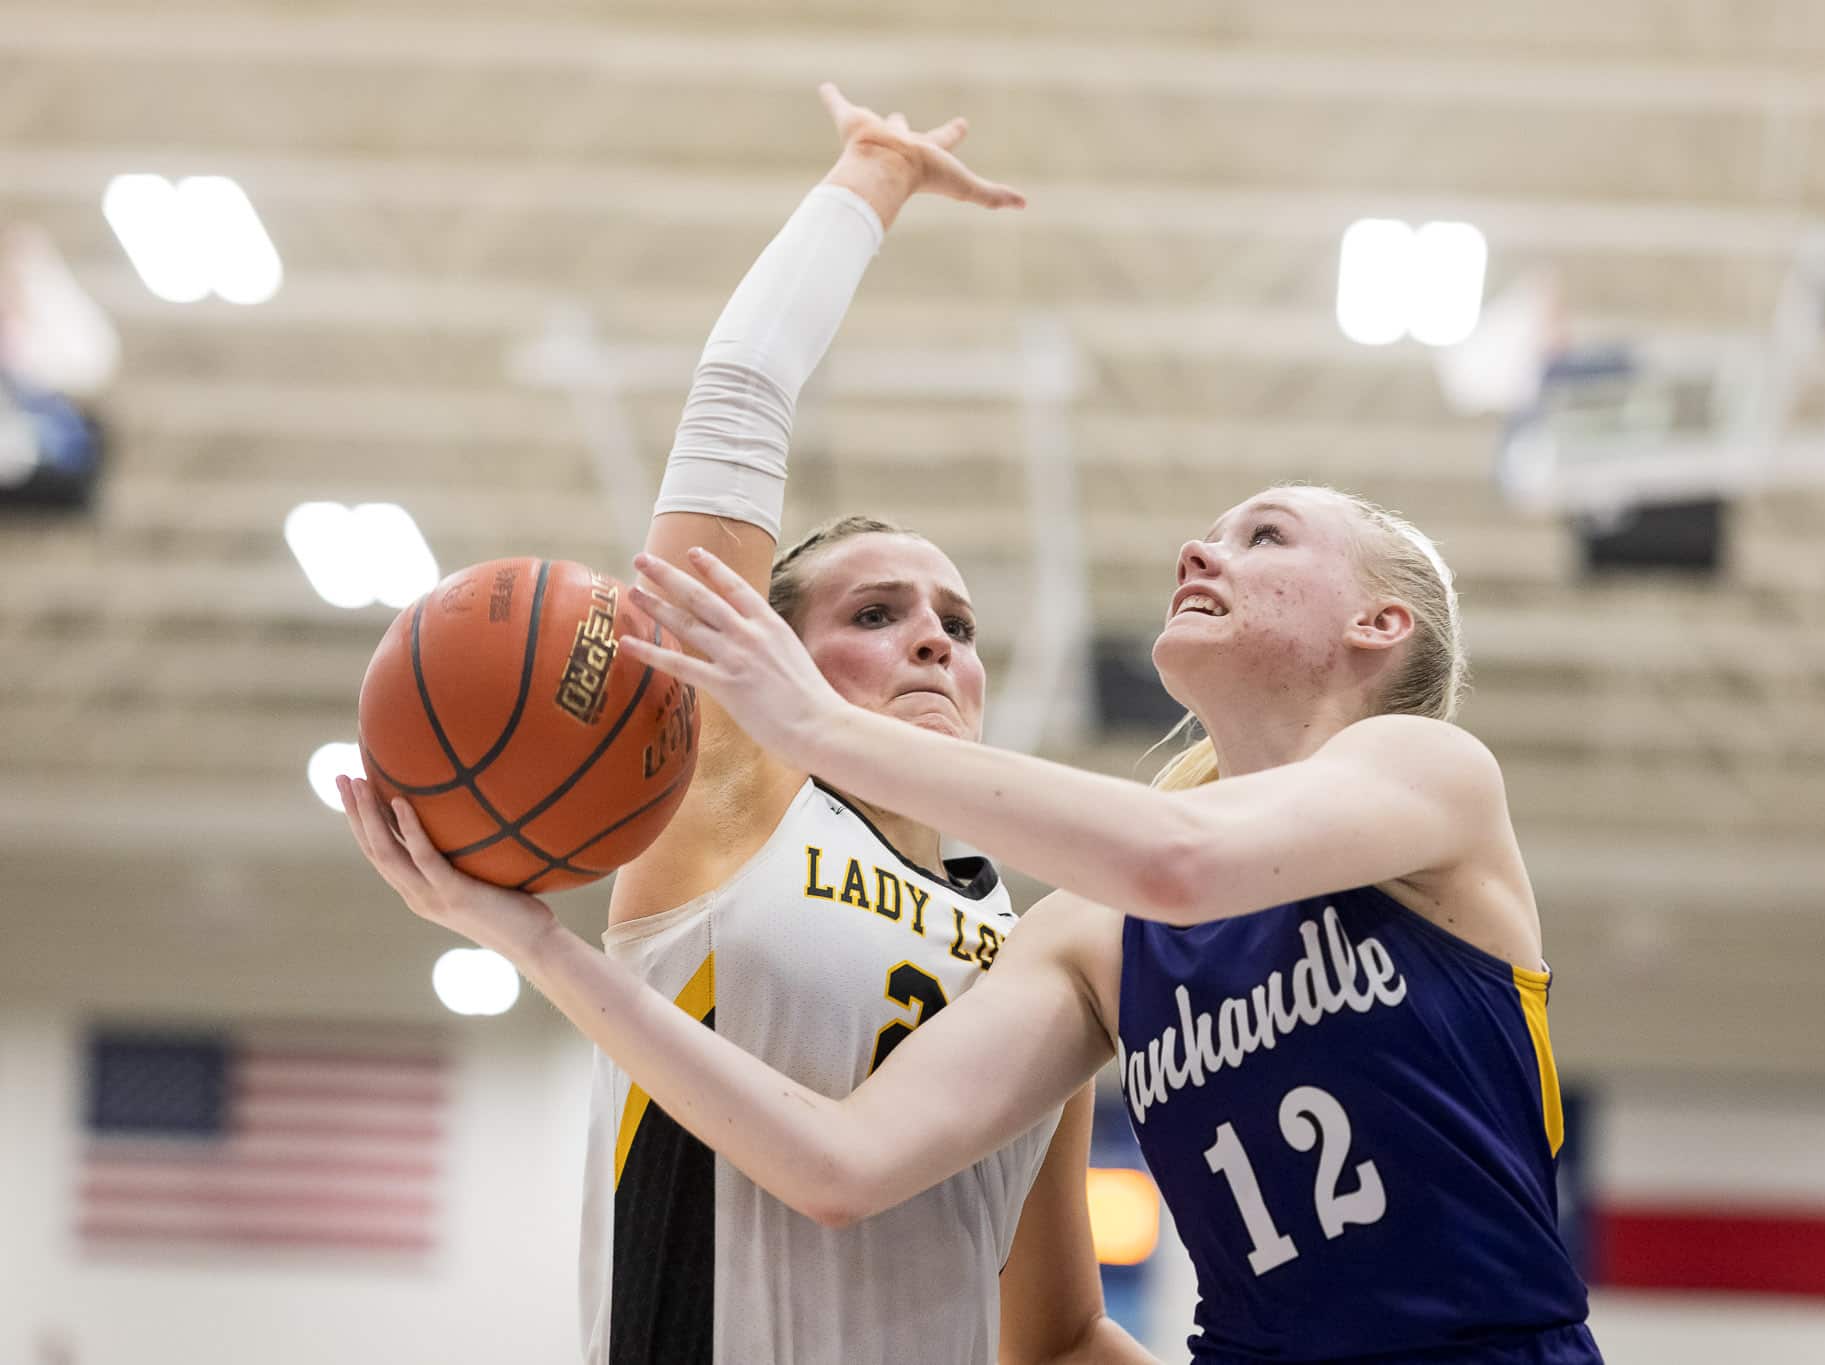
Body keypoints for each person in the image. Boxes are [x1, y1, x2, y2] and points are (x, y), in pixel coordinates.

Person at [348, 340, 1600, 1357]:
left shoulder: (1428, 777)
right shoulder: (1088, 937)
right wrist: (536, 948)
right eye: (1212, 534)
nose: (1198, 551)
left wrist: (816, 722)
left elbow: (1176, 858)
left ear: (1379, 623)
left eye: (1264, 536)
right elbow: (837, 1166)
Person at [341, 85, 1148, 1365]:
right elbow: (740, 391)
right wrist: (871, 178)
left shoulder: (1031, 949)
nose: (933, 638)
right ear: (760, 659)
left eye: (956, 621)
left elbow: (1054, 1339)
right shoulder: (729, 798)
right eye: (875, 611)